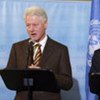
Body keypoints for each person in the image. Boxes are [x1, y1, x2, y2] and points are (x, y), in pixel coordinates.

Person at [6, 6, 73, 100]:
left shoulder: (60, 49)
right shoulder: (17, 48)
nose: (31, 29)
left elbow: (68, 83)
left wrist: (46, 75)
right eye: (28, 25)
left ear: (45, 24)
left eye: (35, 25)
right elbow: (10, 80)